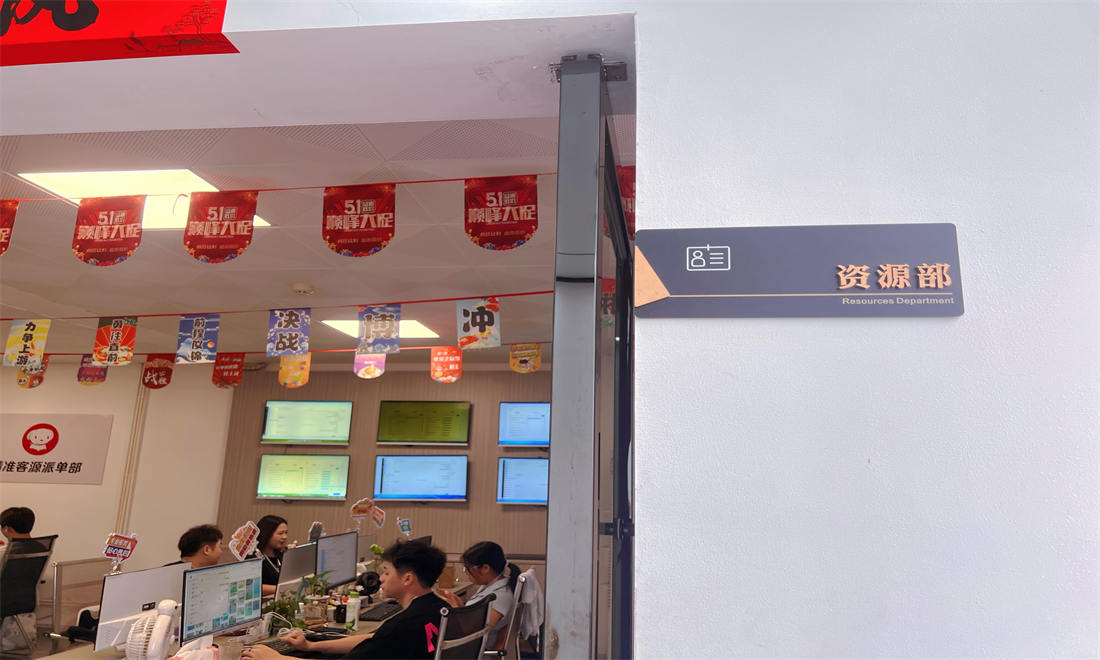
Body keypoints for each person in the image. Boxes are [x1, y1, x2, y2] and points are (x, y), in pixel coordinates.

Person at [242, 539, 447, 660]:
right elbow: (372, 639)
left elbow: (381, 639)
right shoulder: (438, 607)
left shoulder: (401, 627)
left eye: (386, 571)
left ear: (407, 579)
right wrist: (312, 646)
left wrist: (275, 658)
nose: (381, 578)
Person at [436, 541, 519, 651]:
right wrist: (461, 607)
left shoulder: (500, 597)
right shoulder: (490, 586)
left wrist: (455, 610)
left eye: (467, 569)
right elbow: (476, 619)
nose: (466, 572)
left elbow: (471, 634)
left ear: (485, 568)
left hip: (474, 652)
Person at [252, 515, 289, 596]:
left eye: (286, 532)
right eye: (280, 533)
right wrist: (283, 589)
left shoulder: (281, 554)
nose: (284, 537)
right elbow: (253, 586)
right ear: (267, 534)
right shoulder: (253, 557)